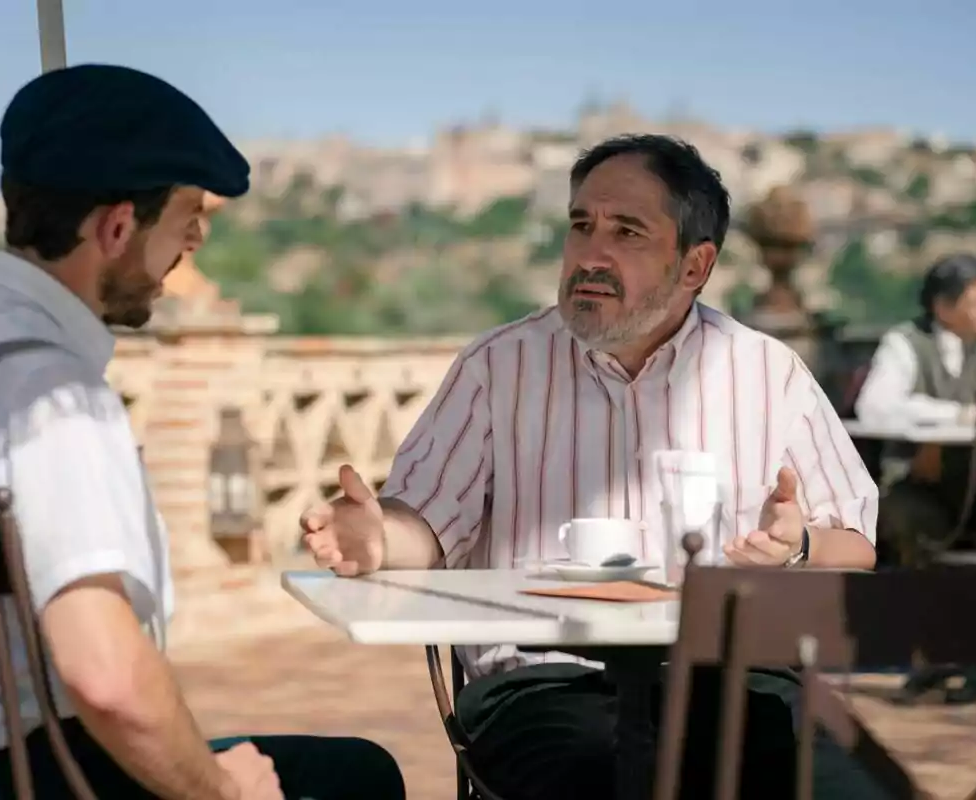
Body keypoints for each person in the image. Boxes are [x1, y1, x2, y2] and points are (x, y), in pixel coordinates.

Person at [0, 64, 404, 800]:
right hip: (66, 776)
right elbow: (106, 677)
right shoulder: (56, 401)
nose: (193, 244)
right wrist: (222, 791)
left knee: (352, 768)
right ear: (118, 227)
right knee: (358, 782)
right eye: (186, 219)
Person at [301, 134, 883, 799]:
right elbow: (424, 522)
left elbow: (856, 540)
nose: (591, 255)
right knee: (610, 776)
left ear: (695, 266)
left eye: (627, 232)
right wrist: (378, 537)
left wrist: (798, 544)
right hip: (546, 684)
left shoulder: (767, 373)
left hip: (735, 676)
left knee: (853, 786)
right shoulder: (498, 367)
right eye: (582, 226)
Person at [855, 253, 976, 704]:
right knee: (921, 533)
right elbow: (876, 406)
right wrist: (954, 415)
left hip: (974, 481)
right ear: (943, 307)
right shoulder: (905, 343)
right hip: (915, 482)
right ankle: (935, 656)